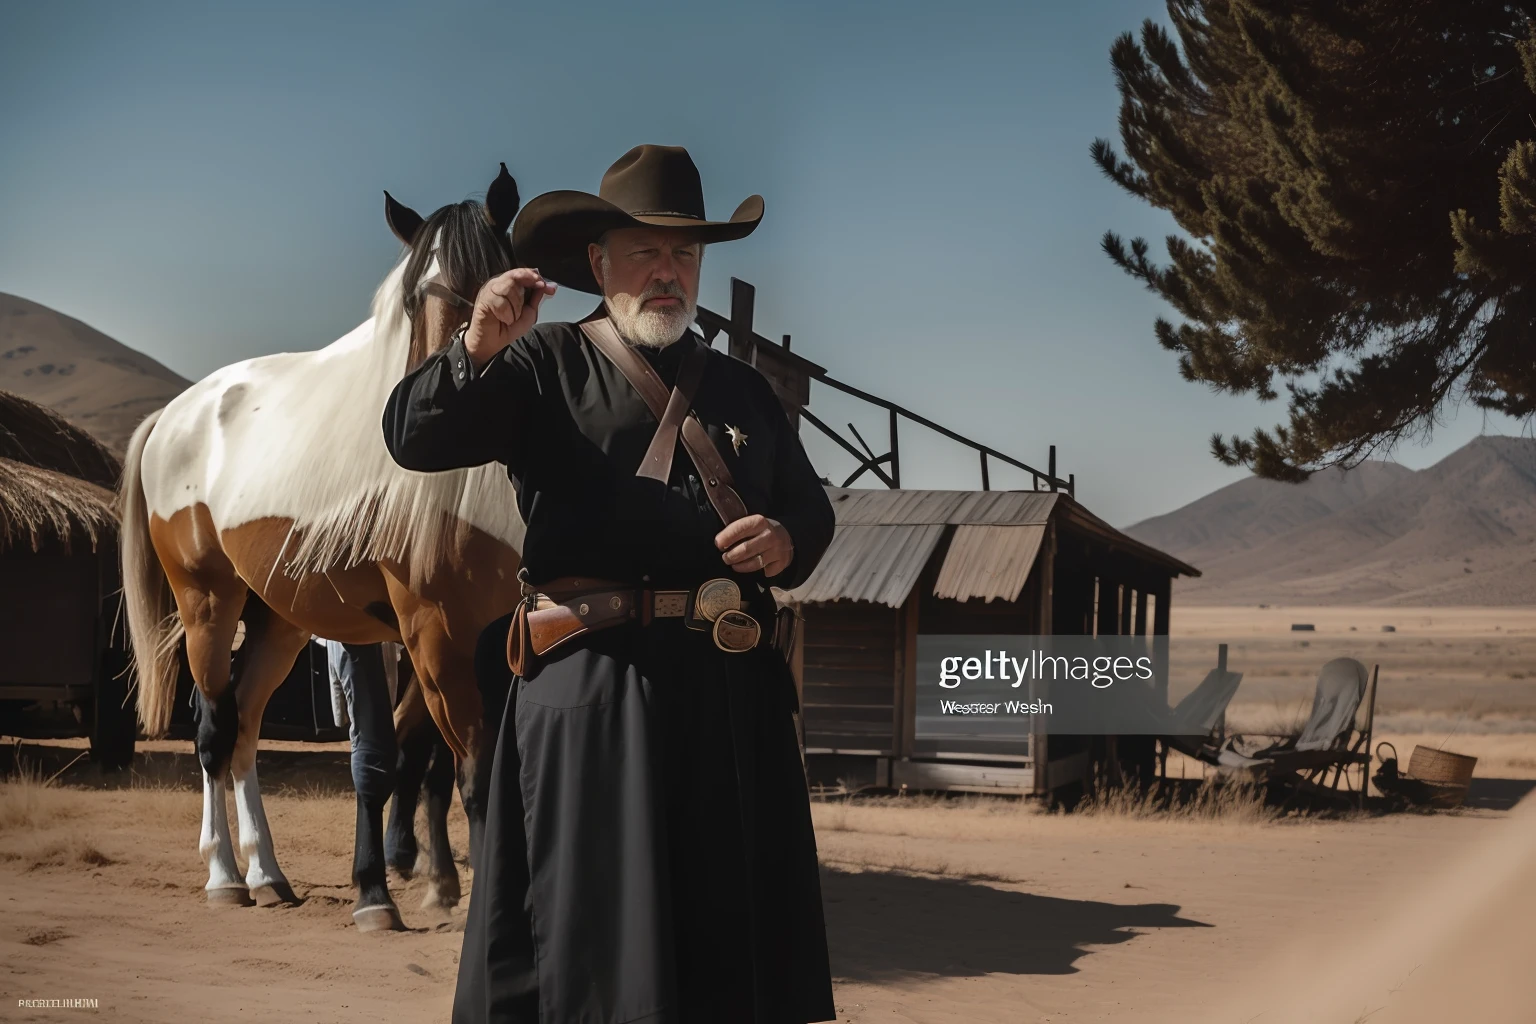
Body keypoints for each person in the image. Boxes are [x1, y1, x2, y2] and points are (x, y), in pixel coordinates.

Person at [382, 144, 838, 1024]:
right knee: (584, 944)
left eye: (685, 256)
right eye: (645, 253)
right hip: (590, 693)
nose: (668, 274)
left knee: (719, 939)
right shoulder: (540, 363)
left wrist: (786, 541)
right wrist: (476, 342)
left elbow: (811, 513)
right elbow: (413, 437)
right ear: (599, 263)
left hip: (726, 696)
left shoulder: (745, 391)